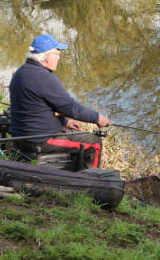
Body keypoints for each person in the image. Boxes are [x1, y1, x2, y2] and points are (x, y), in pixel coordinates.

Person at [9, 33, 111, 170]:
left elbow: (37, 109)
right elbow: (71, 107)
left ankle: (74, 176)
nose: (59, 58)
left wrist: (65, 122)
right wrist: (97, 118)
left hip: (21, 137)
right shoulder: (45, 78)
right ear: (47, 57)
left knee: (79, 137)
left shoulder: (21, 73)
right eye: (57, 54)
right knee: (94, 143)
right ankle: (90, 184)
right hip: (40, 140)